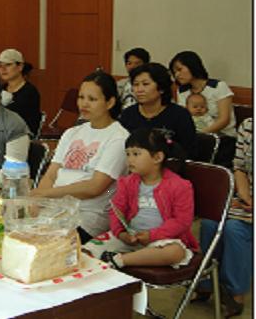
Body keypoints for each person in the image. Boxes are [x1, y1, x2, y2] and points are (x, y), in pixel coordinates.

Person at [31, 71, 129, 243]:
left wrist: (47, 193)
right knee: (17, 235)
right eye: (81, 97)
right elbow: (52, 174)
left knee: (47, 246)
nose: (84, 104)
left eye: (92, 99)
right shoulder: (72, 132)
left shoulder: (118, 137)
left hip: (88, 215)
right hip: (56, 208)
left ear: (110, 102)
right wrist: (40, 200)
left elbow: (95, 187)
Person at [83, 128, 198, 270]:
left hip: (161, 239)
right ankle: (120, 258)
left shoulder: (180, 185)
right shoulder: (126, 182)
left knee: (174, 252)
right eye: (128, 154)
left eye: (136, 154)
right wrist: (121, 233)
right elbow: (116, 210)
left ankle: (120, 260)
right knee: (86, 250)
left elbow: (182, 221)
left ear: (157, 157)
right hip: (131, 237)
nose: (130, 159)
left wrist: (152, 235)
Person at [194, 117, 253, 318]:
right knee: (211, 222)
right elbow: (240, 168)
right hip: (247, 196)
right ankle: (206, 283)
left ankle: (235, 292)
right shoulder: (249, 125)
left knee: (235, 229)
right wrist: (245, 196)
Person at [119, 62, 197, 159]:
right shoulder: (128, 114)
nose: (139, 90)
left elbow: (188, 152)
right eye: (135, 84)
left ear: (161, 88)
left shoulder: (180, 115)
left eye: (145, 84)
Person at [170, 50, 236, 137]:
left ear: (192, 66)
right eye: (174, 72)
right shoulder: (182, 91)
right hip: (195, 135)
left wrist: (200, 134)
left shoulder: (218, 86)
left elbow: (224, 120)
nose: (177, 75)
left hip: (223, 136)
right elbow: (183, 118)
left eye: (179, 69)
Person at [0, 48, 42, 137]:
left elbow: (9, 116)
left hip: (21, 135)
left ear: (20, 67)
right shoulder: (0, 88)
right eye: (0, 66)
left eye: (8, 65)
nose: (3, 69)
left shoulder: (29, 92)